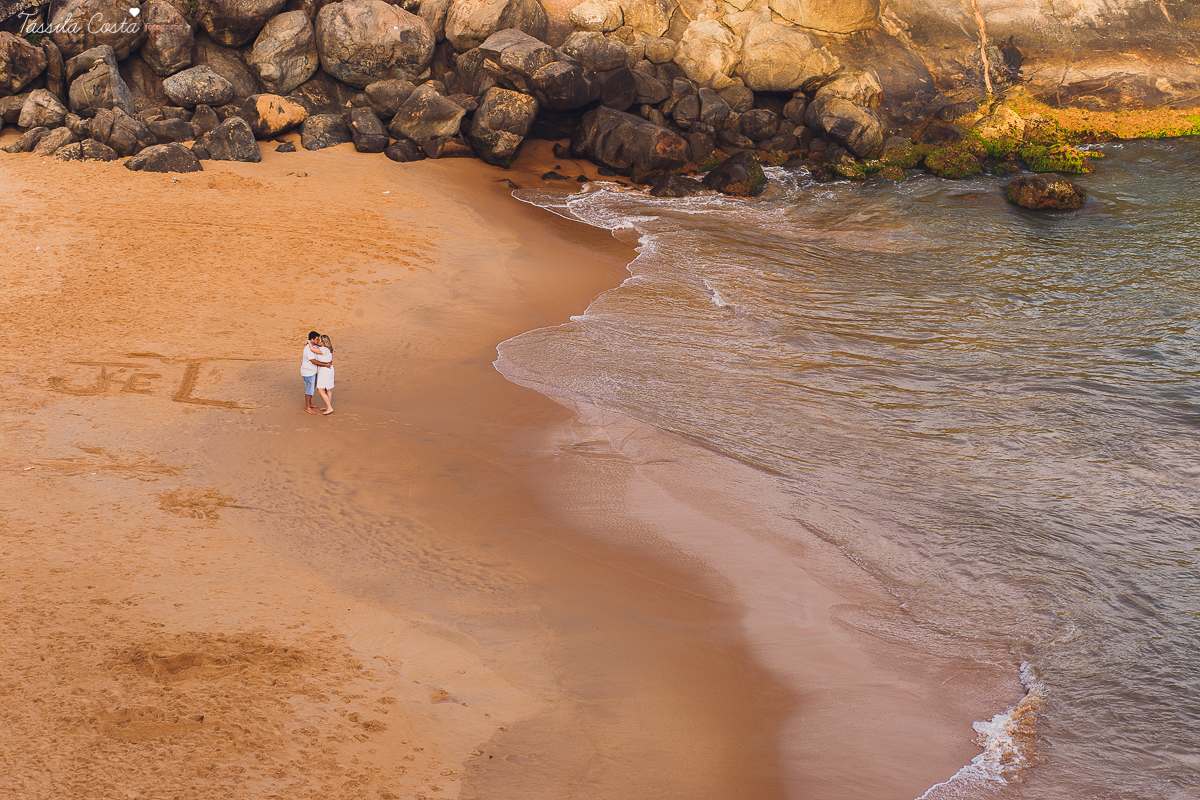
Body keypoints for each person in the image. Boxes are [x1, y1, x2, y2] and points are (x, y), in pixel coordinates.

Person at [315, 334, 335, 415]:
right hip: (329, 369)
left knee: (320, 390)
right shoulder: (328, 349)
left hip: (324, 371)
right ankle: (328, 405)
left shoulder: (323, 349)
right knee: (328, 389)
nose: (317, 341)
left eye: (319, 340)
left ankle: (329, 407)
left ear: (323, 342)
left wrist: (309, 342)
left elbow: (312, 349)